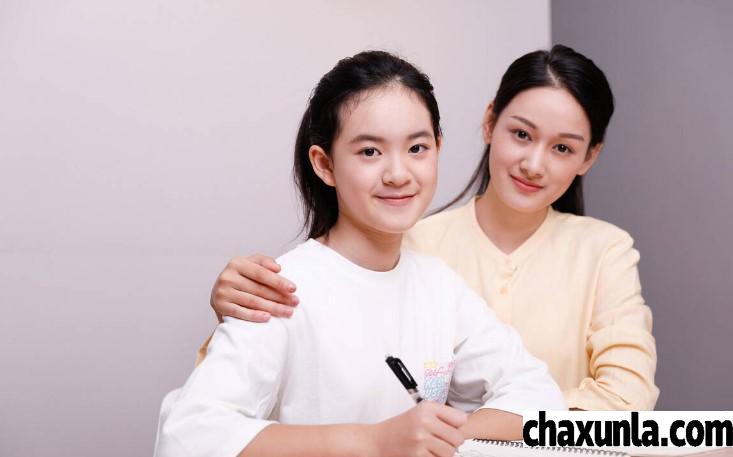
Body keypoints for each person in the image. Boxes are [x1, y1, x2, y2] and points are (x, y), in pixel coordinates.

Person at [204, 45, 659, 411]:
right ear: (489, 122)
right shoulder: (403, 241)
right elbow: (225, 403)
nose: (534, 164)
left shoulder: (605, 250)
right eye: (521, 134)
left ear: (589, 156)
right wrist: (235, 309)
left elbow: (627, 401)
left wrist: (483, 425)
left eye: (563, 148)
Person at [155, 51, 565, 457]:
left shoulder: (439, 285)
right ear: (324, 164)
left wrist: (435, 434)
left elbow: (539, 397)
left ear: (438, 147)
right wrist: (374, 443)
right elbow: (188, 436)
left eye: (417, 148)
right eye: (370, 152)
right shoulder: (280, 291)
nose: (398, 174)